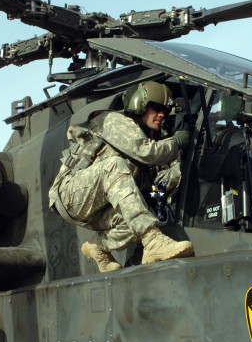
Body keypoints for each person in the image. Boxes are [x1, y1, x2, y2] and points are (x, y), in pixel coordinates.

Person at [49, 81, 194, 272]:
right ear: (139, 103)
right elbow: (147, 152)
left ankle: (97, 247)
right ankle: (153, 241)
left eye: (165, 112)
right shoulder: (114, 121)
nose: (162, 115)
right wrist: (175, 143)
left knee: (138, 213)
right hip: (70, 193)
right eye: (156, 108)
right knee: (113, 166)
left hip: (96, 201)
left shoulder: (141, 134)